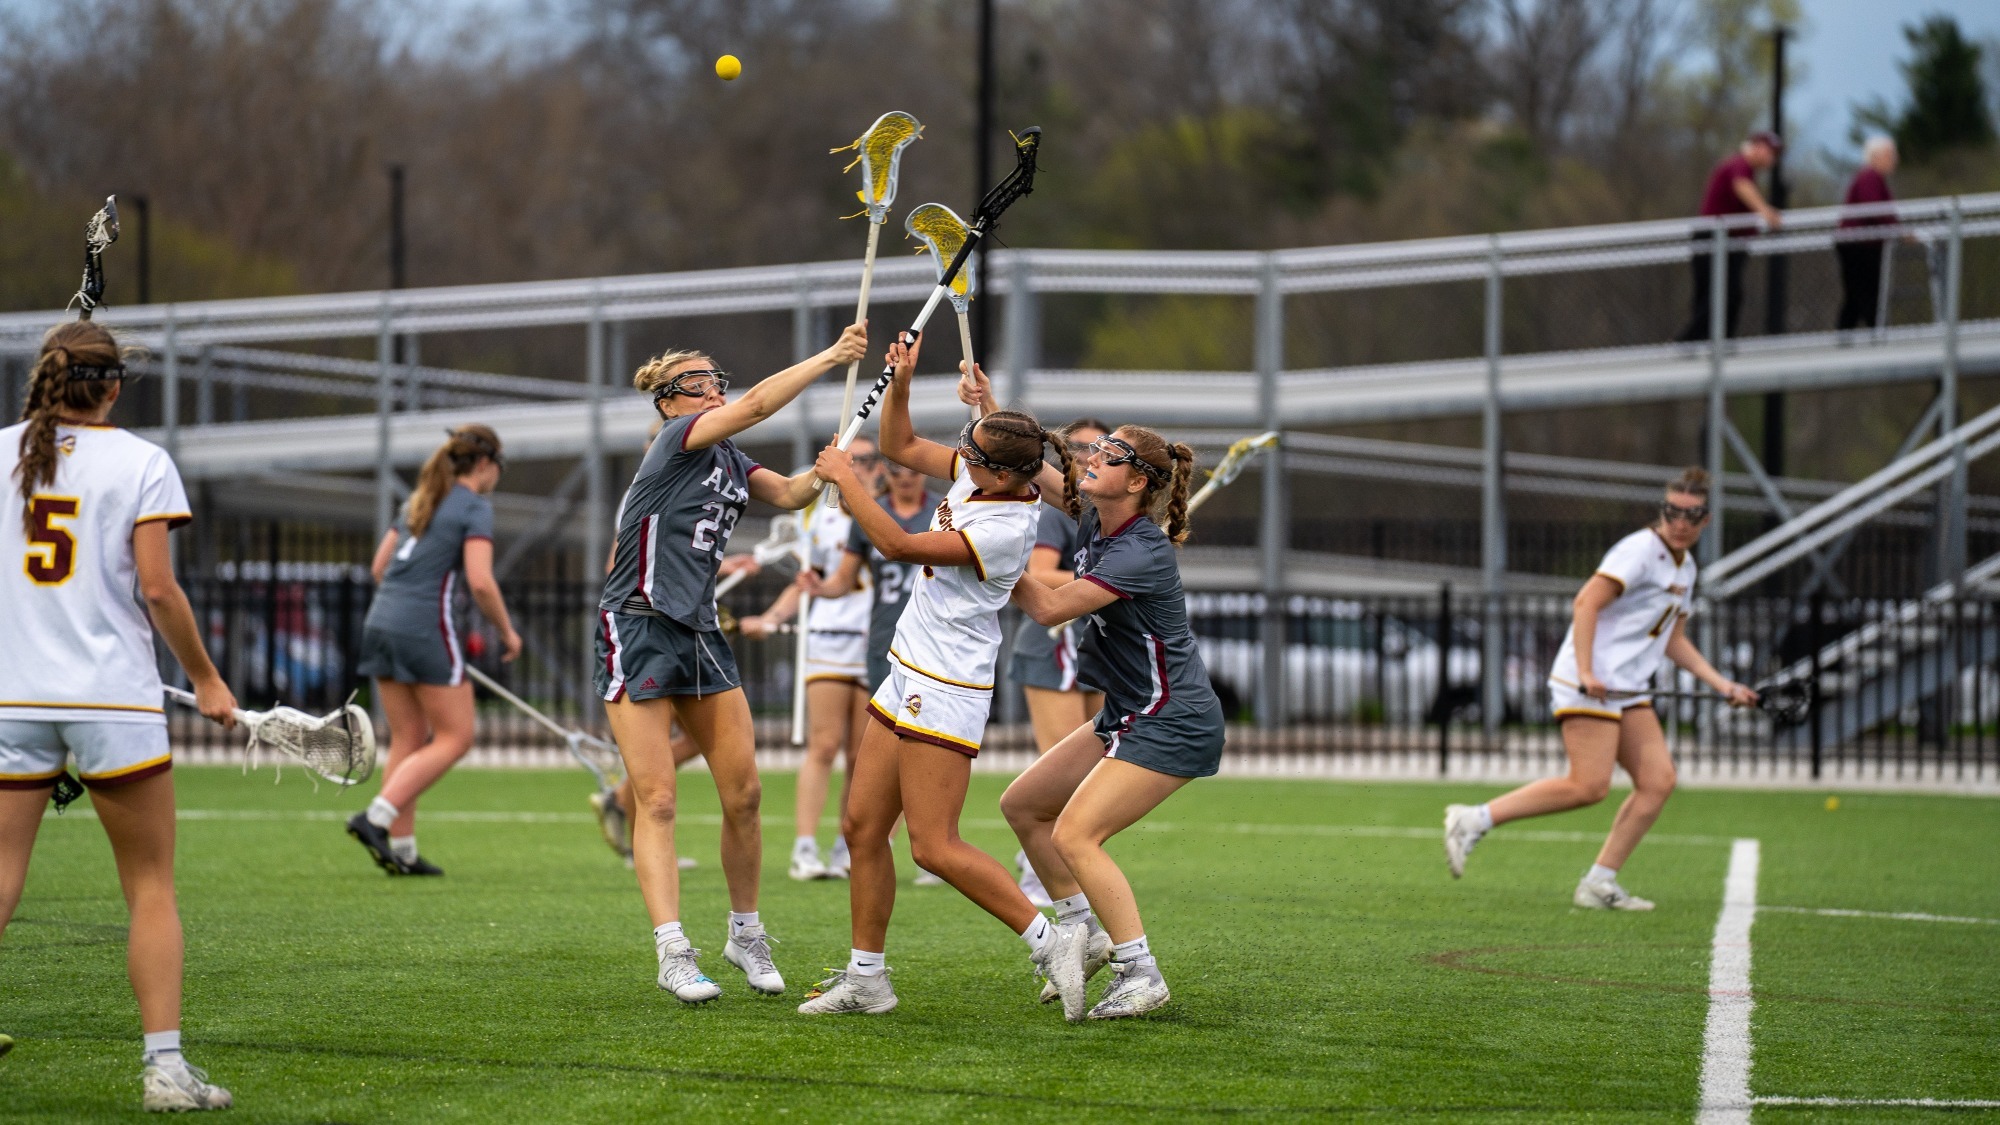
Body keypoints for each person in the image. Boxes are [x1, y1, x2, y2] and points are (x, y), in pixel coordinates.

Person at [797, 333, 1092, 1019]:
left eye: (973, 448)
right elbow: (900, 443)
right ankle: (867, 977)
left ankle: (1052, 940)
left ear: (1004, 473)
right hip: (906, 667)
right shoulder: (980, 468)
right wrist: (901, 378)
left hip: (949, 683)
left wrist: (847, 478)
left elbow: (898, 542)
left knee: (933, 843)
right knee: (862, 826)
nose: (961, 450)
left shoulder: (1008, 525)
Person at [0, 321, 238, 1110]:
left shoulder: (3, 451)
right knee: (149, 885)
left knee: (1, 876)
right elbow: (160, 589)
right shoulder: (143, 461)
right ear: (113, 387)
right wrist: (206, 680)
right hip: (112, 698)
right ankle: (165, 1070)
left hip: (14, 697)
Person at [598, 321, 868, 1003]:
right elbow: (756, 406)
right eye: (696, 383)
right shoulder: (674, 442)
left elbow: (793, 494)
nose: (713, 389)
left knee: (744, 794)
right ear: (667, 401)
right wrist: (832, 357)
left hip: (698, 630)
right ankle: (672, 950)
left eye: (716, 378)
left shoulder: (730, 460)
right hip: (638, 624)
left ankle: (744, 932)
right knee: (657, 796)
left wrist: (828, 469)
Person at [1443, 468, 1756, 909]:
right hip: (1589, 682)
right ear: (1662, 512)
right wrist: (1588, 672)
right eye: (1673, 512)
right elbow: (1586, 602)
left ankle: (1598, 881)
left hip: (1625, 689)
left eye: (1692, 514)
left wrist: (1725, 685)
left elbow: (1674, 640)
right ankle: (1474, 819)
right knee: (1588, 786)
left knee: (1658, 780)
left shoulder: (1686, 568)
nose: (1681, 522)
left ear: (1706, 519)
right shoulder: (1639, 551)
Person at [999, 425, 1220, 1020]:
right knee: (1024, 807)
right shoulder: (1098, 515)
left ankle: (1140, 972)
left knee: (1075, 834)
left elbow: (1047, 608)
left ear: (1139, 481)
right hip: (1130, 709)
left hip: (1173, 717)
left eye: (1108, 454)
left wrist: (983, 558)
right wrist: (988, 410)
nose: (1090, 457)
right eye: (1093, 450)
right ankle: (1084, 932)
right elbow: (1031, 469)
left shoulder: (1139, 549)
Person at [345, 425, 520, 876]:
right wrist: (507, 632)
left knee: (408, 737)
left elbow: (379, 567)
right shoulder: (475, 506)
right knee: (457, 737)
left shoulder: (417, 500)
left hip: (380, 622)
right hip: (425, 627)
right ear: (485, 464)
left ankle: (400, 852)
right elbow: (480, 580)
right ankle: (376, 818)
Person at [798, 440, 946, 883]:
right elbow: (843, 580)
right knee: (875, 751)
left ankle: (932, 844)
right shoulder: (872, 515)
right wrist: (820, 588)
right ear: (887, 472)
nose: (905, 476)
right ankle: (857, 843)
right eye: (896, 469)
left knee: (932, 744)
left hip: (935, 642)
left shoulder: (942, 514)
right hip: (885, 642)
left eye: (912, 469)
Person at [738, 437, 885, 881]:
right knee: (824, 745)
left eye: (864, 460)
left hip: (879, 642)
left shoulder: (893, 515)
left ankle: (847, 845)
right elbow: (808, 582)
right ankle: (805, 848)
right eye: (848, 459)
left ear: (880, 468)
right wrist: (770, 617)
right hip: (829, 639)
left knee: (862, 756)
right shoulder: (820, 521)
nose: (856, 467)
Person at [1004, 417, 1111, 906]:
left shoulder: (1108, 516)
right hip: (1050, 645)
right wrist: (1102, 581)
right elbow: (1041, 573)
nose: (1091, 456)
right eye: (1082, 447)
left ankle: (1066, 863)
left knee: (1093, 768)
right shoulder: (1057, 512)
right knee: (1059, 771)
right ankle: (1035, 870)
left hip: (1091, 647)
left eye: (1101, 448)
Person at [1677, 131, 1783, 343]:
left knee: (1722, 296)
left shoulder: (1746, 170)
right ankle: (1690, 345)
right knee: (1720, 296)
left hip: (1728, 243)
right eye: (1770, 151)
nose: (1772, 158)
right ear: (1756, 147)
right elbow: (1741, 186)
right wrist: (1766, 212)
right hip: (1713, 239)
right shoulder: (1739, 165)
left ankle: (1715, 345)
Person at [1836, 136, 1899, 333]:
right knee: (1864, 294)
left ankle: (1848, 338)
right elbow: (1873, 209)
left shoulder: (1874, 178)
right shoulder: (1869, 177)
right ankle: (1874, 335)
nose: (1894, 160)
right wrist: (1899, 231)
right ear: (1875, 156)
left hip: (1866, 245)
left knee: (1859, 296)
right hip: (1857, 245)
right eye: (1890, 155)